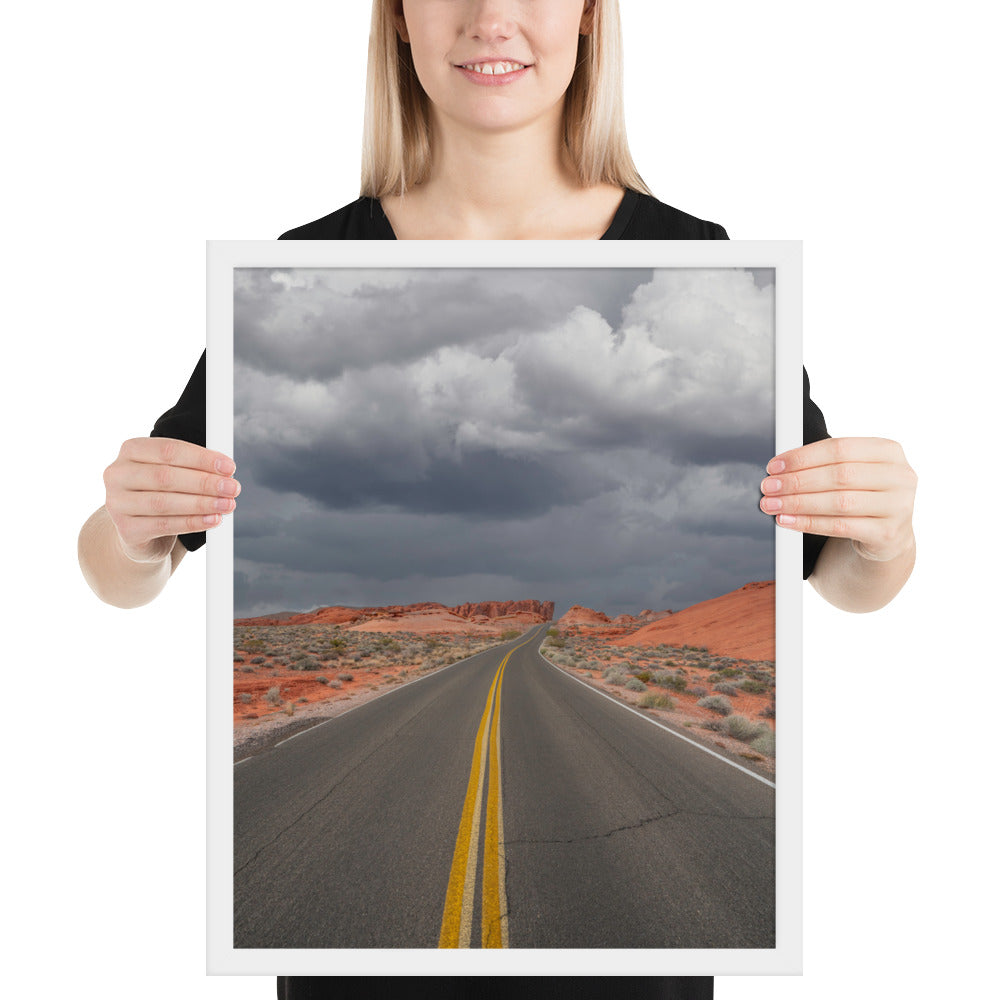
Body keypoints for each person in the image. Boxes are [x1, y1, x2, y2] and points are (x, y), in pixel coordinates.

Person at [78, 1, 917, 998]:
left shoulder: (707, 257)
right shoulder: (294, 265)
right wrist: (130, 530)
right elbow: (121, 568)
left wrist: (886, 532)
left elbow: (846, 578)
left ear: (591, 18)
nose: (491, 19)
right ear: (396, 20)